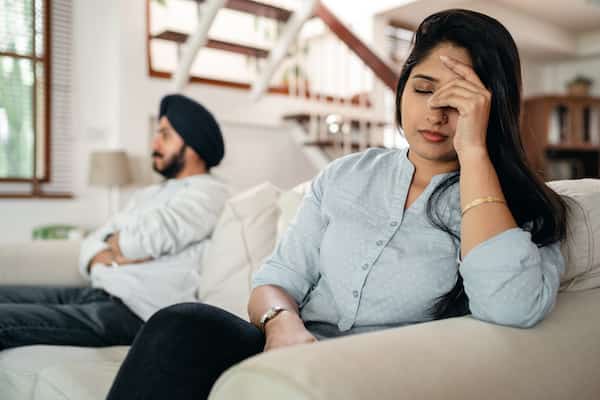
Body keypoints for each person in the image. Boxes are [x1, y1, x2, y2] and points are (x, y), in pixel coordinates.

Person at [106, 9, 568, 400]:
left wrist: (473, 152)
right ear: (402, 89)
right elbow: (275, 279)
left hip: (373, 375)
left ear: (490, 106)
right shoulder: (346, 174)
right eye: (423, 88)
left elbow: (511, 306)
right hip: (289, 348)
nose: (434, 112)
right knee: (181, 325)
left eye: (459, 101)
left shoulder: (519, 208)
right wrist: (280, 323)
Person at [0, 94, 230, 350]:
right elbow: (92, 242)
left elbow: (138, 242)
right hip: (98, 293)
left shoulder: (210, 193)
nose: (154, 143)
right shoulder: (150, 194)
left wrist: (119, 244)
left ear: (194, 146)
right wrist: (114, 254)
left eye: (164, 135)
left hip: (133, 312)